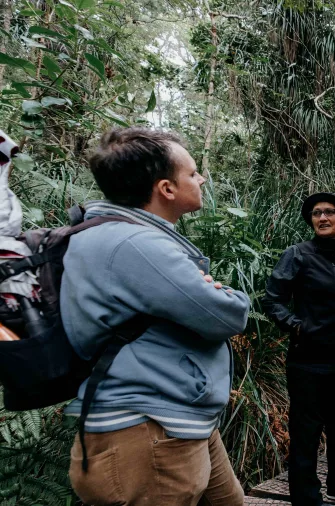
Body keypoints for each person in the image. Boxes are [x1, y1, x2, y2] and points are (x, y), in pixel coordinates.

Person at [62, 127, 250, 505]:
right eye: (193, 173)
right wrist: (226, 293)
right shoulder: (134, 244)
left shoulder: (114, 235)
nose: (201, 179)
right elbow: (227, 315)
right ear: (166, 188)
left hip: (176, 419)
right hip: (145, 429)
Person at [262, 192, 335, 506]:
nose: (322, 218)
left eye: (329, 212)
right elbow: (272, 300)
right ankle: (306, 498)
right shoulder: (298, 255)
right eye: (316, 213)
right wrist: (298, 326)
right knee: (306, 433)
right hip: (308, 362)